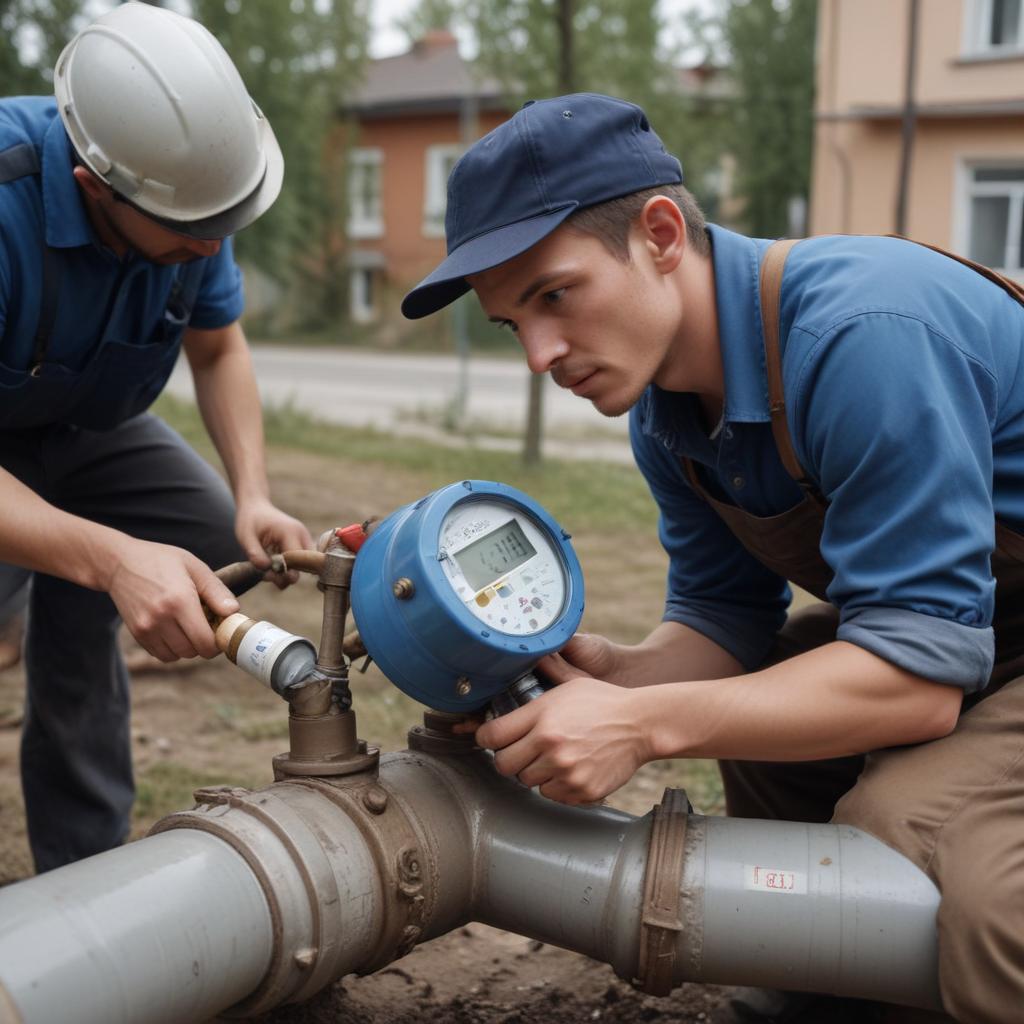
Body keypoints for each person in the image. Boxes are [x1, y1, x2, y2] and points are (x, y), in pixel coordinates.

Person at [400, 93, 1024, 1024]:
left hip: (965, 642)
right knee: (778, 733)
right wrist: (618, 674)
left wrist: (644, 724)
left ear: (659, 234)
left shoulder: (859, 336)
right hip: (985, 623)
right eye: (510, 324)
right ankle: (822, 993)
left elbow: (916, 684)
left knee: (912, 837)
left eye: (553, 295)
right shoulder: (667, 410)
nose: (539, 355)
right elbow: (726, 622)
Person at [0, 2, 312, 874]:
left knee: (206, 543)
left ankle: (83, 867)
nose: (214, 242)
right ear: (96, 183)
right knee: (92, 571)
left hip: (89, 431)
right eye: (191, 232)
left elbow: (218, 348)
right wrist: (106, 558)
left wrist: (253, 490)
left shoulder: (195, 194)